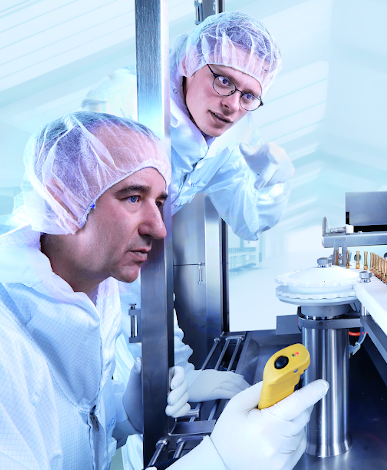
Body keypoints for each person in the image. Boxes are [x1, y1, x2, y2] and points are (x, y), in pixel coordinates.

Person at [0, 112, 328, 470]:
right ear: (65, 197)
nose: (159, 228)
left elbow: (71, 419)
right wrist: (217, 462)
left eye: (159, 202)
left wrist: (127, 411)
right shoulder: (7, 339)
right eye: (132, 197)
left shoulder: (95, 291)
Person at [81, 12, 296, 469]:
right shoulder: (131, 104)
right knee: (81, 422)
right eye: (222, 81)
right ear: (191, 62)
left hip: (130, 296)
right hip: (82, 292)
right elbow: (102, 248)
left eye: (249, 95)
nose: (232, 104)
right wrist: (170, 361)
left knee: (112, 429)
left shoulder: (220, 143)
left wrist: (276, 178)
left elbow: (248, 217)